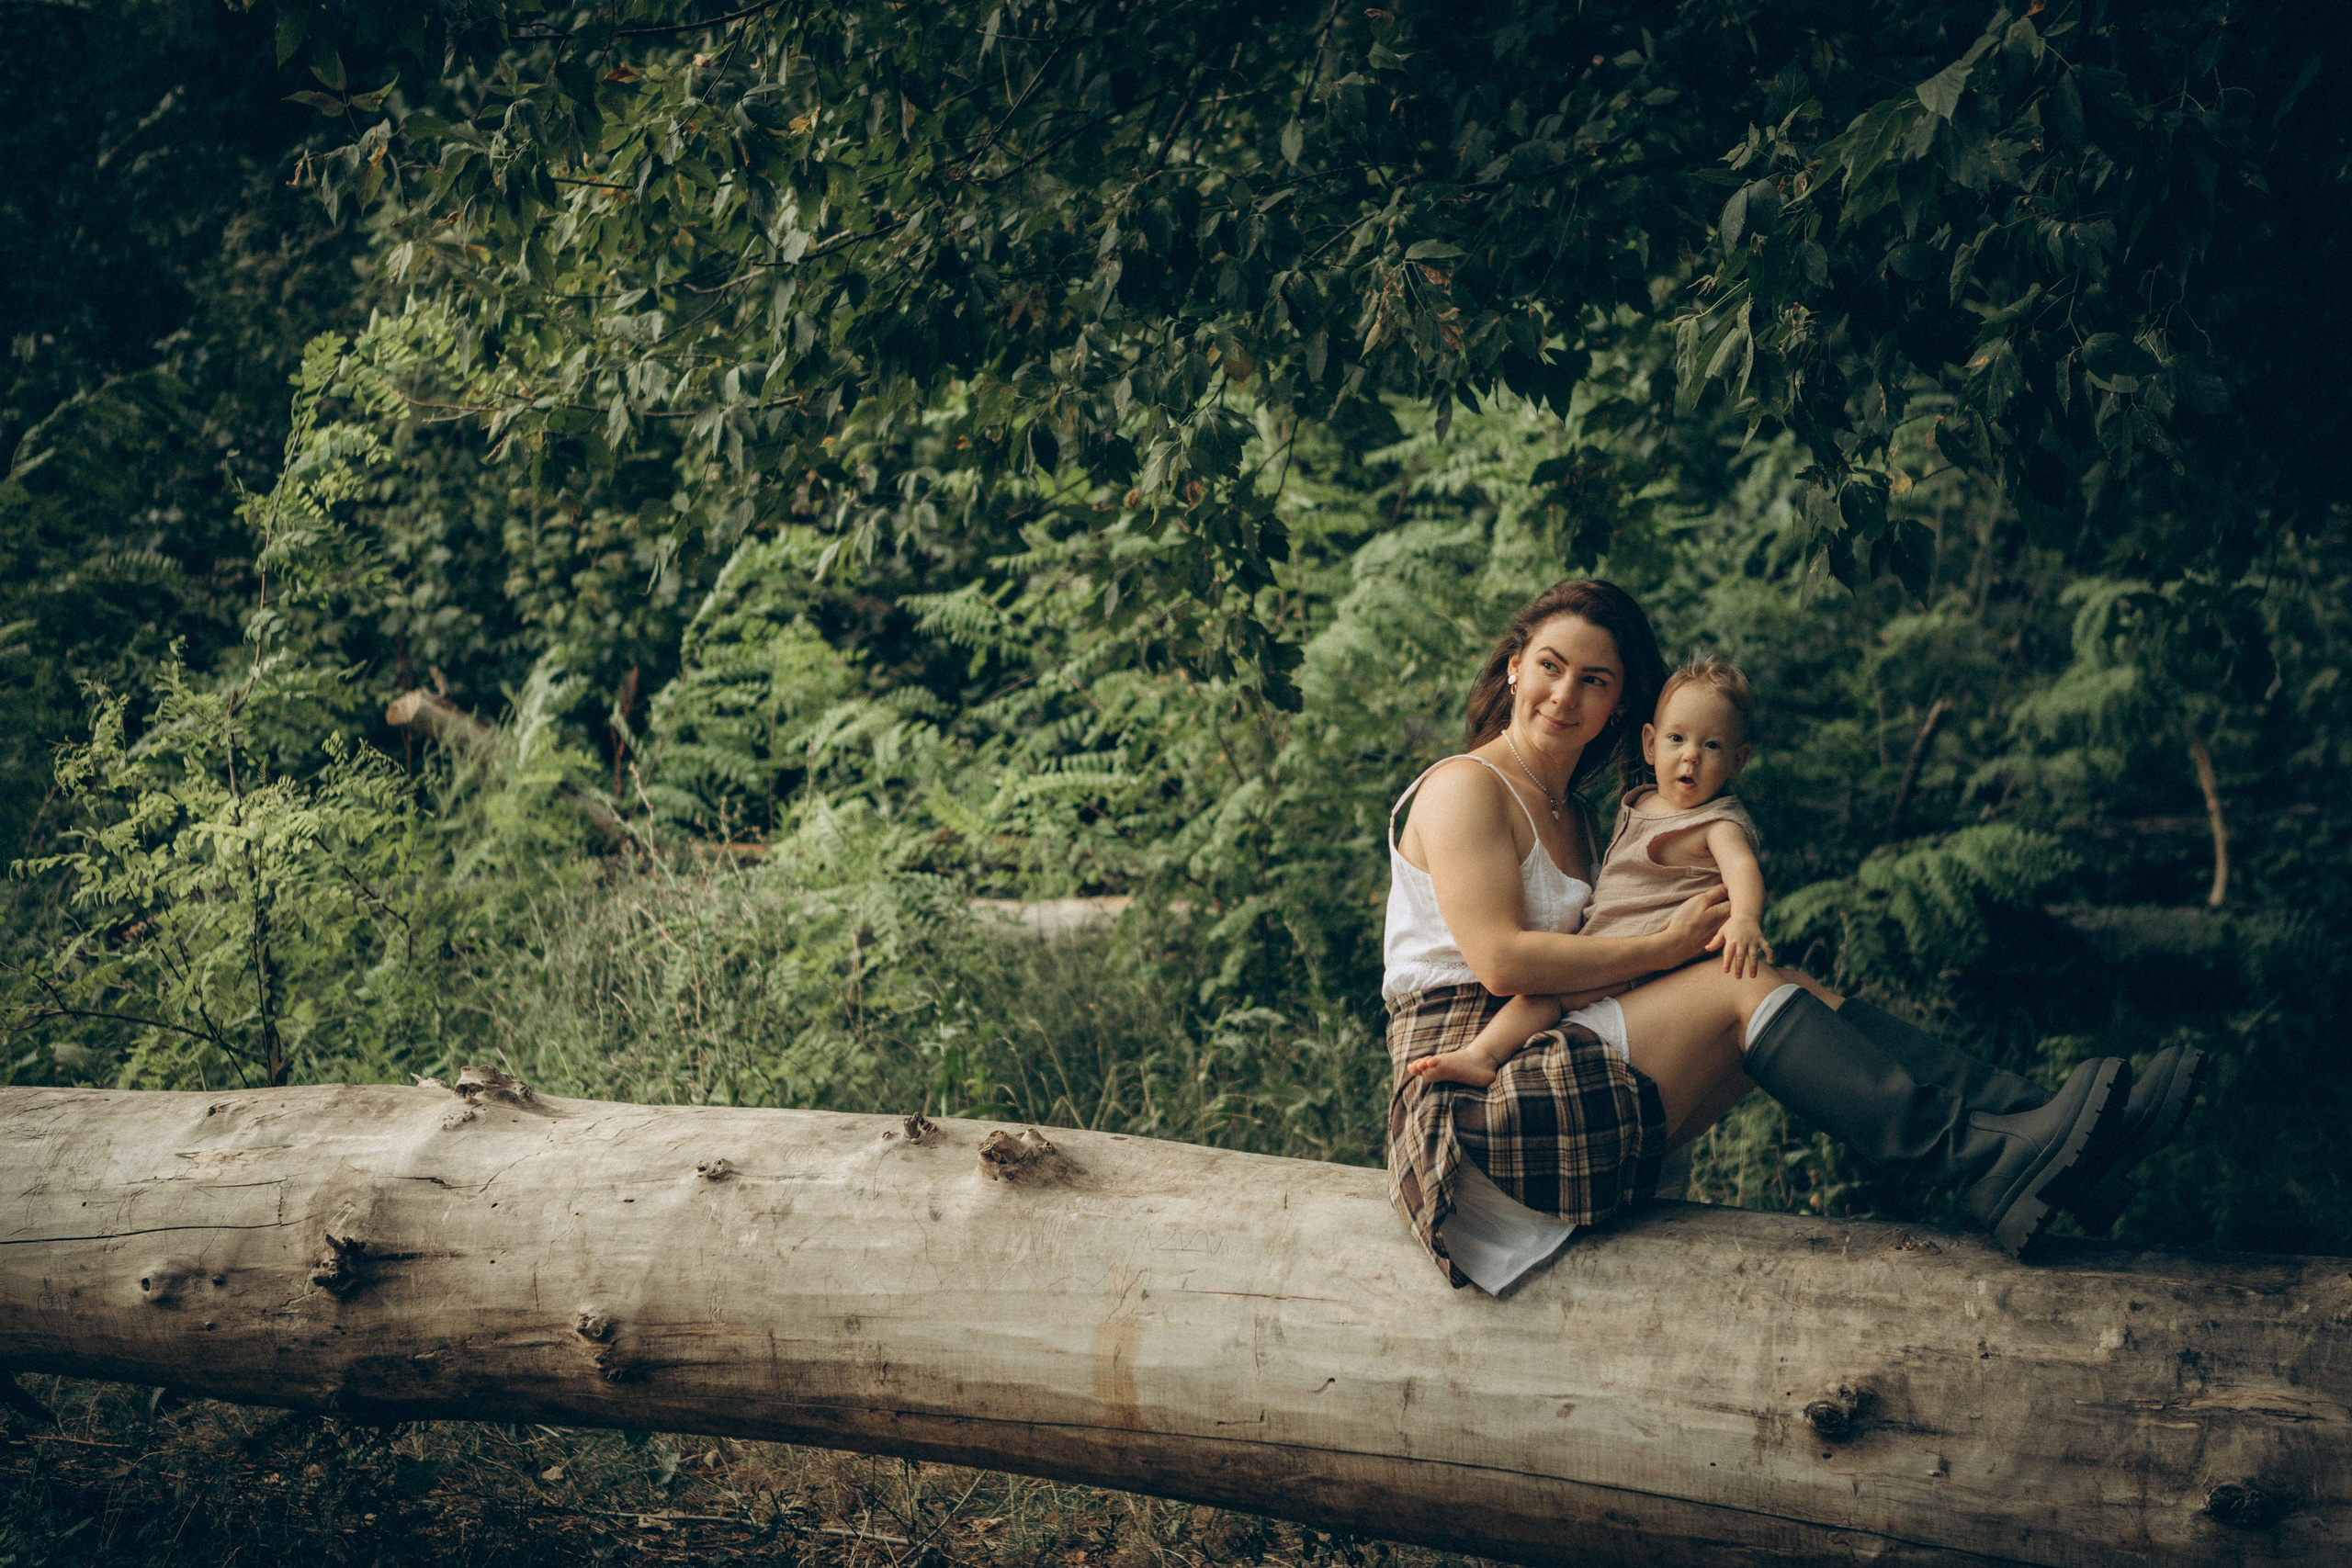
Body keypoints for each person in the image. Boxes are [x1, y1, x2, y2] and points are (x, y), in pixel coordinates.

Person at [1382, 580, 2204, 1292]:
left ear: (1619, 706)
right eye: (1552, 666)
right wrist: (1671, 945)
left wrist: (1694, 936)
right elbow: (1503, 959)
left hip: (1560, 1061)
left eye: (1594, 681)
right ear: (1515, 663)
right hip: (1476, 1109)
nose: (1565, 695)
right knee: (1744, 984)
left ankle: (2044, 1127)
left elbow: (1611, 961)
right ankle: (1986, 1163)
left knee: (1789, 986)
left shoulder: (1592, 818)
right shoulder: (1464, 787)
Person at [1406, 656, 1771, 1089]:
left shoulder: (1718, 821)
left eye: (1712, 746)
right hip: (1620, 949)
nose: (1690, 755)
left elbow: (1742, 868)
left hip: (1655, 965)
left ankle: (1481, 1054)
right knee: (1542, 998)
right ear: (1651, 745)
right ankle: (1481, 1055)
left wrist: (1745, 919)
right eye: (1678, 738)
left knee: (1547, 998)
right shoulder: (1638, 802)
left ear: (1738, 760)